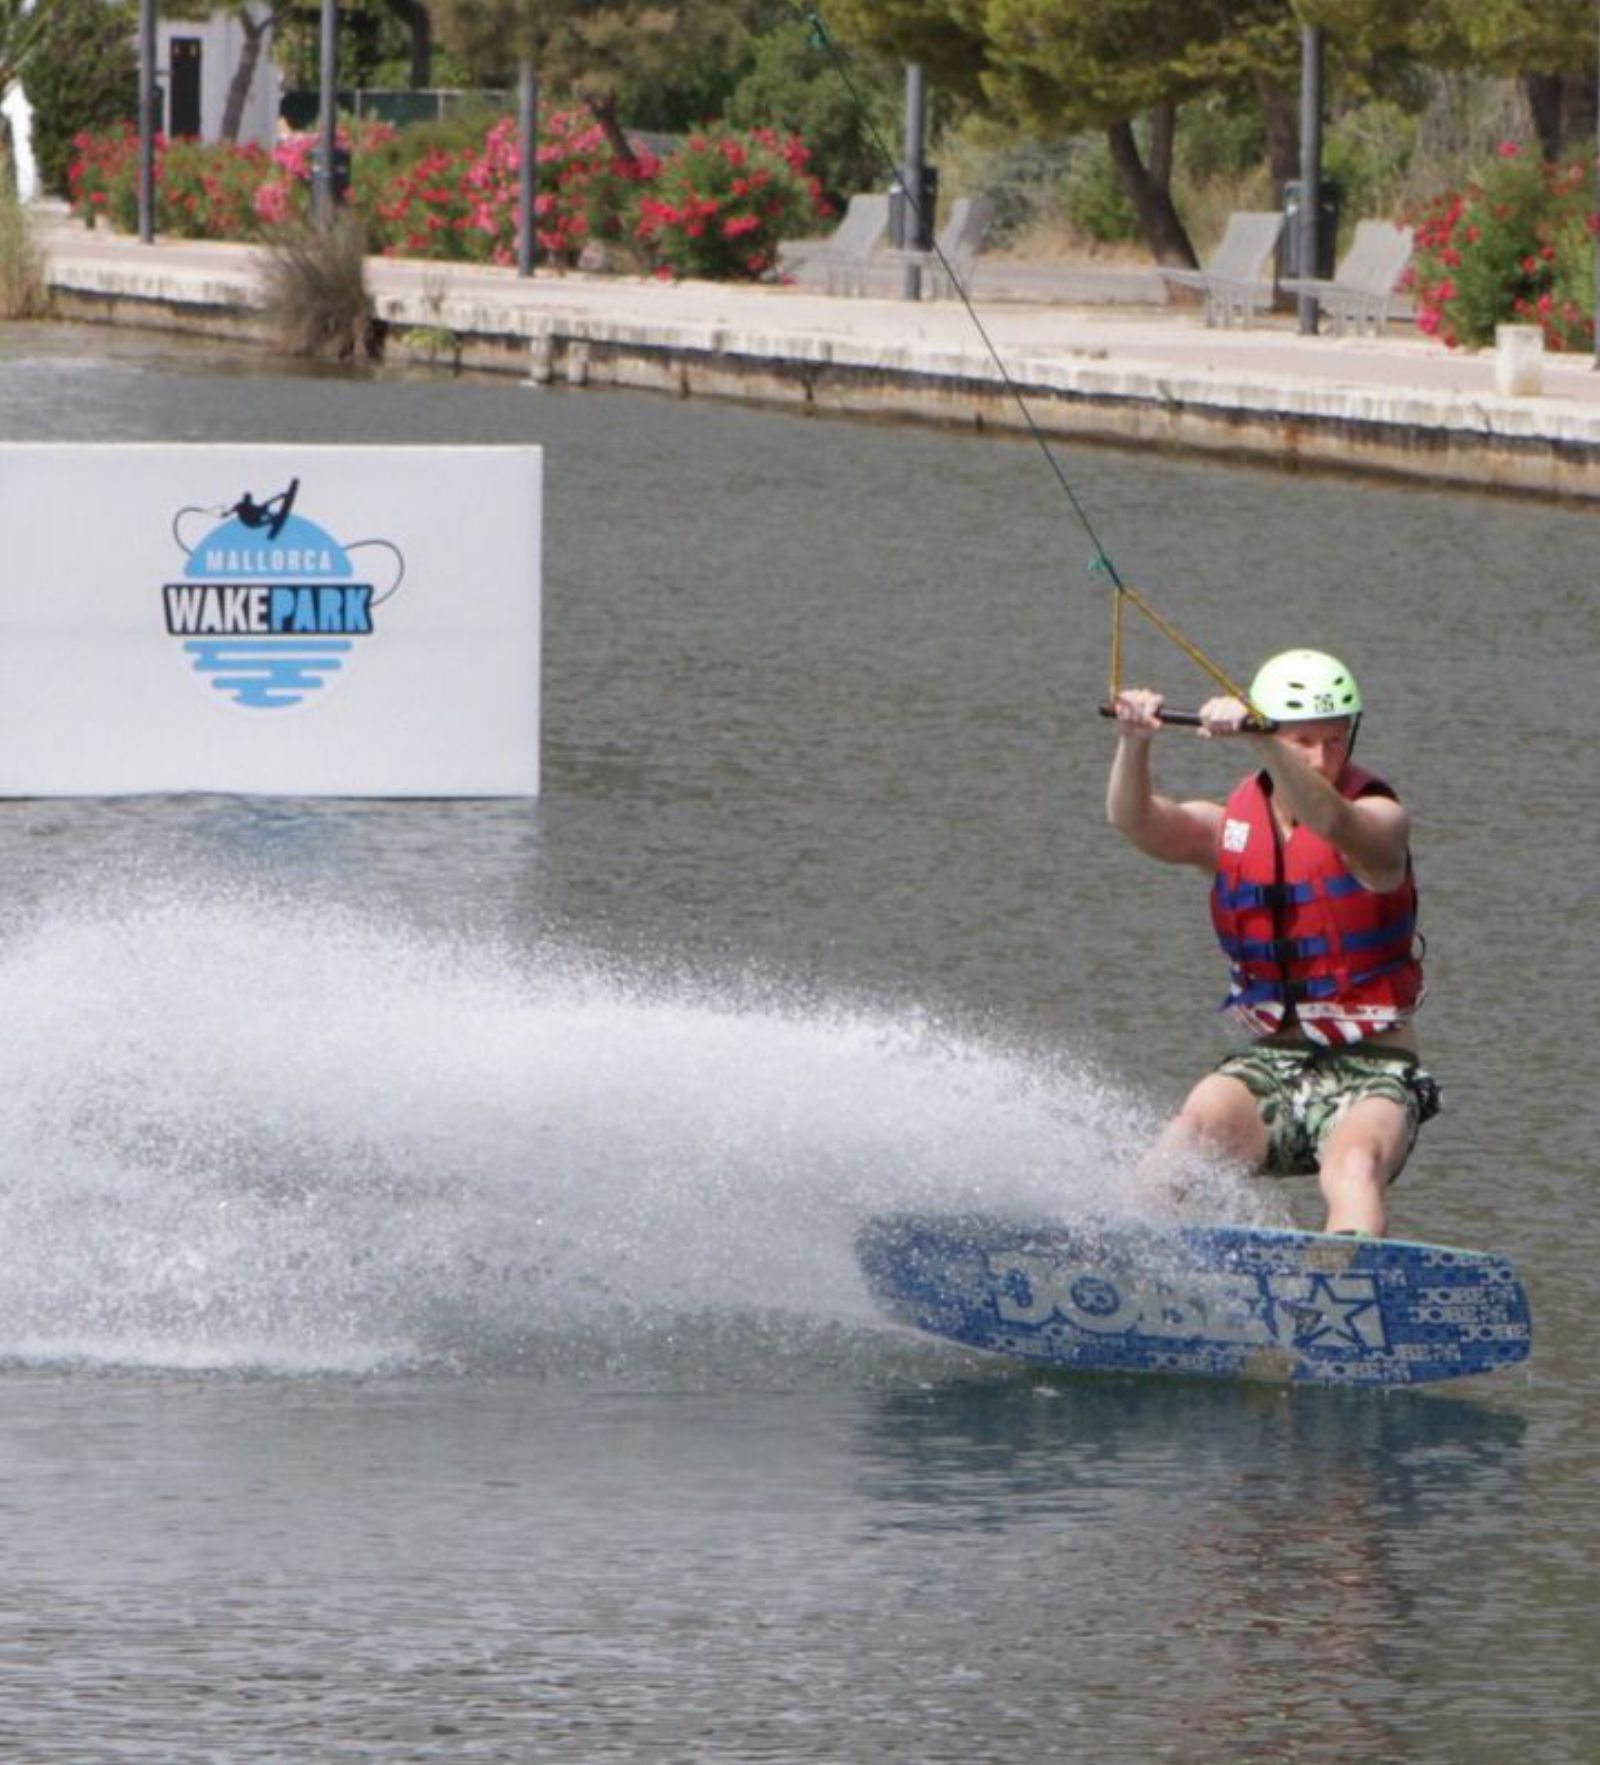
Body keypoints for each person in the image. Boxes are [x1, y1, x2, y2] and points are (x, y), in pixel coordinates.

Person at [1106, 648, 1438, 1237]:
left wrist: (1263, 742)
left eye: (1335, 740)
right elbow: (1139, 824)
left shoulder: (1382, 822)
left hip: (1374, 1073)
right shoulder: (1229, 828)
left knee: (1353, 1166)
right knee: (1188, 1133)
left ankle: (1347, 1287)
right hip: (1273, 1069)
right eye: (1302, 740)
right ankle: (1118, 1263)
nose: (1321, 757)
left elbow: (1330, 823)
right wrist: (1136, 742)